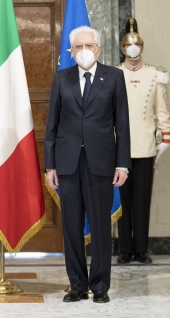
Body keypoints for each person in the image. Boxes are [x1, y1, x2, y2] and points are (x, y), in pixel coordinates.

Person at [44, 26, 131, 303]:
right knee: (71, 227)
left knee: (100, 227)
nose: (84, 51)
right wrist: (50, 166)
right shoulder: (62, 78)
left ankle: (101, 286)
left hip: (102, 163)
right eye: (78, 47)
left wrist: (123, 164)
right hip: (67, 164)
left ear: (99, 49)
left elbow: (123, 125)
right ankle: (77, 285)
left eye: (89, 46)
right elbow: (52, 126)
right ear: (71, 51)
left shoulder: (114, 77)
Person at [116, 18, 170, 264]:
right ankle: (124, 250)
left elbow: (163, 111)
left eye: (137, 44)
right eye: (129, 45)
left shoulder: (155, 75)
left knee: (142, 200)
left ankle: (141, 249)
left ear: (142, 46)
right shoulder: (113, 74)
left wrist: (166, 135)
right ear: (122, 48)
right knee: (123, 201)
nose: (133, 49)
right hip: (120, 146)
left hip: (146, 145)